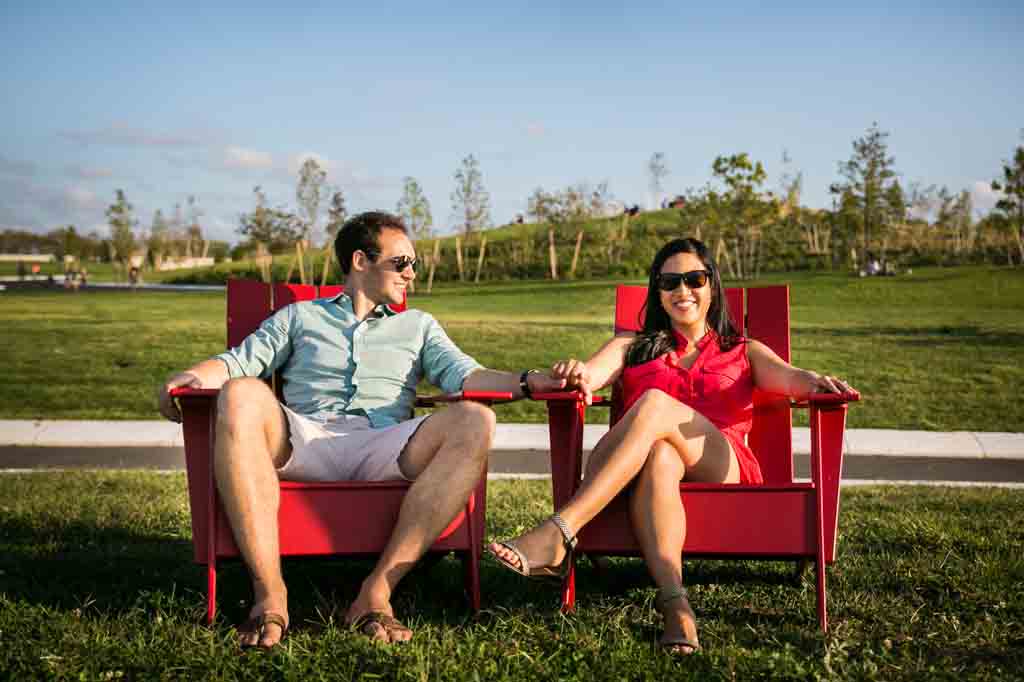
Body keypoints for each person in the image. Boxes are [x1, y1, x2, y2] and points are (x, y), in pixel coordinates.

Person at [157, 211, 567, 649]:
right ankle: (270, 594)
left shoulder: (418, 325)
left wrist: (527, 381)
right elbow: (237, 363)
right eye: (401, 263)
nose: (410, 273)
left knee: (476, 418)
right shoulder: (299, 317)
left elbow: (467, 376)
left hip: (385, 445)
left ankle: (376, 593)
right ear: (359, 261)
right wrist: (189, 377)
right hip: (305, 438)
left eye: (414, 264)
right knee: (239, 392)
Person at [488, 237, 854, 655]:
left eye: (694, 279)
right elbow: (590, 374)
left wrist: (816, 383)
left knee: (656, 405)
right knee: (661, 452)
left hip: (719, 463)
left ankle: (563, 530)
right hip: (635, 465)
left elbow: (790, 377)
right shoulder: (631, 347)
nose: (682, 291)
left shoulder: (743, 351)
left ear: (712, 285)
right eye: (669, 282)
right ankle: (676, 607)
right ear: (657, 292)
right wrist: (576, 373)